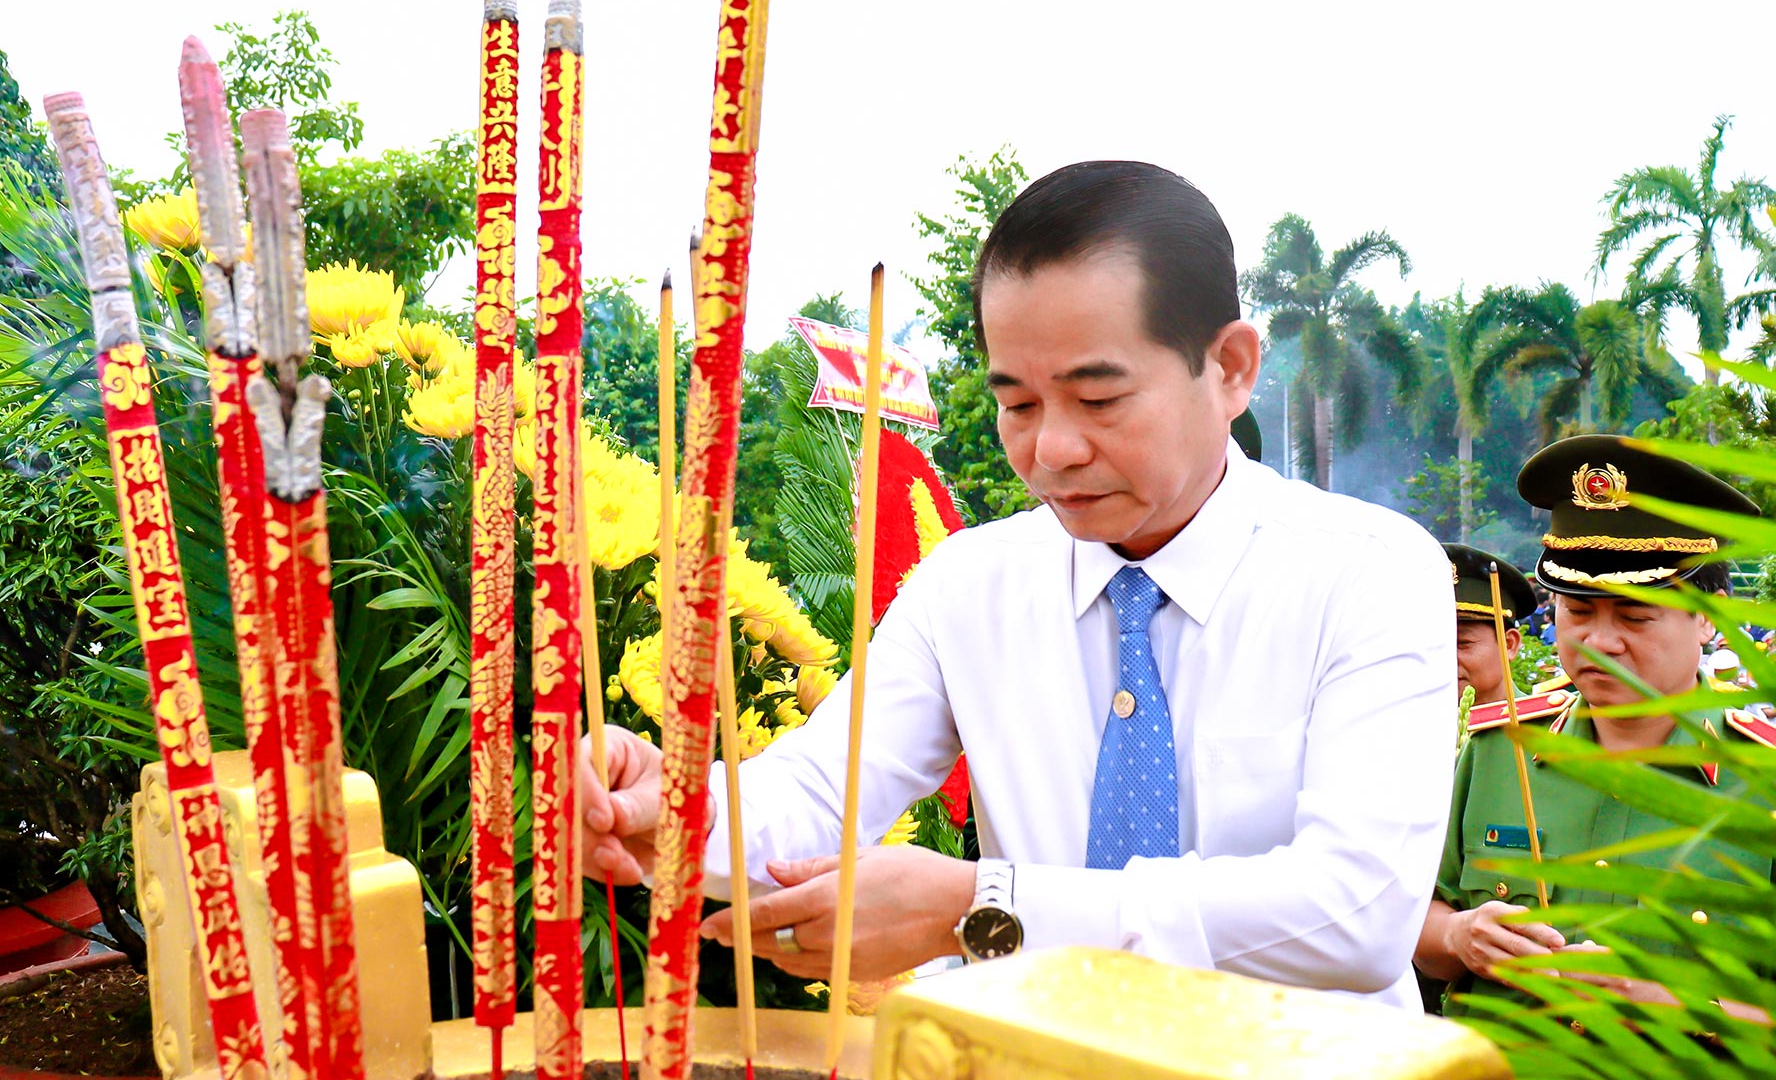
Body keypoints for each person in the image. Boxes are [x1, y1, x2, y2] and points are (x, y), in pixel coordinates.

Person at [583, 160, 1457, 1010]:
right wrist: (669, 811)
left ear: (1229, 367)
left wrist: (981, 907)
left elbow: (1355, 913)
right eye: (1019, 403)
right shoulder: (970, 586)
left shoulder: (1370, 576)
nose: (1052, 451)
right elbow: (818, 795)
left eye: (1099, 398)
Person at [1415, 436, 1770, 1006]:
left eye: (1635, 614)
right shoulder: (1497, 750)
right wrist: (1460, 935)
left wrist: (1674, 1006)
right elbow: (1415, 920)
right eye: (1577, 612)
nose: (1600, 643)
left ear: (1712, 618)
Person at [1442, 542, 1537, 707]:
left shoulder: (1552, 730)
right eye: (1433, 646)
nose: (1443, 658)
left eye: (1462, 643)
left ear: (1509, 645)